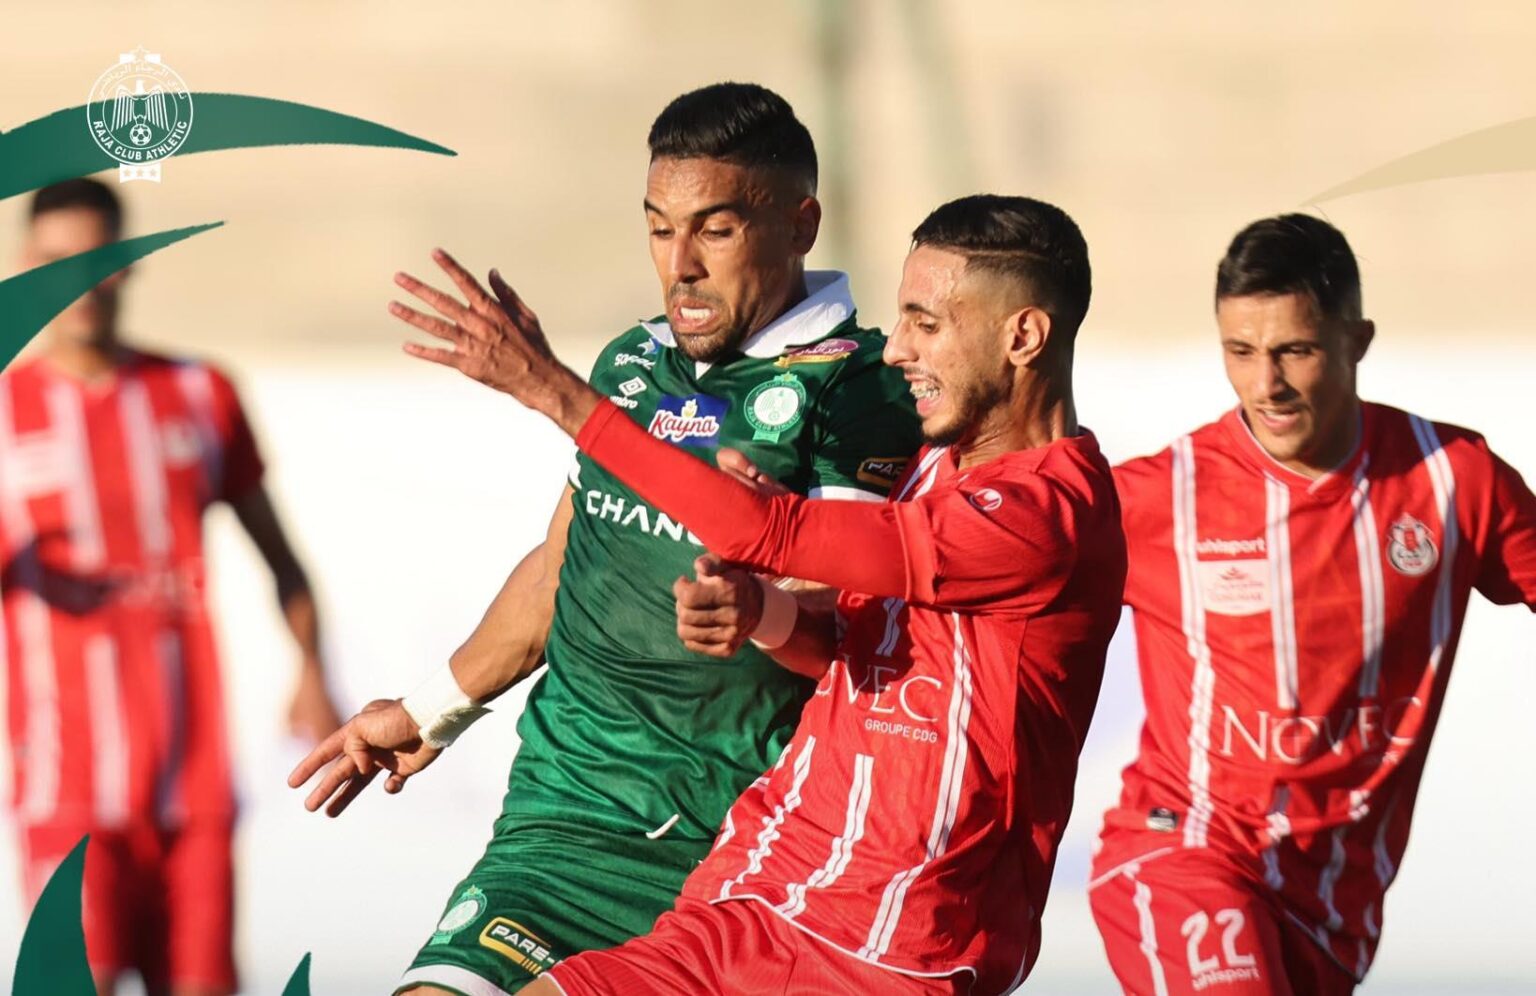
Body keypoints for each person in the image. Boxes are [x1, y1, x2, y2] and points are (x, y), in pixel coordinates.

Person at [384, 192, 1126, 995]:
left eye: (927, 323)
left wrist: (552, 391)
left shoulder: (1042, 515)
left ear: (1023, 336)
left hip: (883, 949)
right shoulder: (936, 469)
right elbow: (853, 652)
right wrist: (761, 612)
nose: (898, 348)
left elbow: (761, 530)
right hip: (755, 896)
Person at [288, 82, 920, 995]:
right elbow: (564, 567)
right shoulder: (632, 361)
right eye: (660, 229)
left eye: (716, 230)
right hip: (559, 827)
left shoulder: (859, 388)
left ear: (801, 224)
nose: (681, 265)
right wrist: (431, 711)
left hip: (732, 859)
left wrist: (760, 608)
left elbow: (849, 629)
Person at [1087, 214, 1536, 994]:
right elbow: (983, 569)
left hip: (1330, 907)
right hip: (1184, 851)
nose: (1267, 384)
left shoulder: (1454, 479)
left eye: (1294, 350)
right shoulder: (1160, 496)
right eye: (1240, 352)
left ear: (1357, 341)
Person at [0, 178, 341, 996]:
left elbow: (283, 560)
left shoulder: (199, 393)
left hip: (193, 788)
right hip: (64, 787)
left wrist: (311, 670)